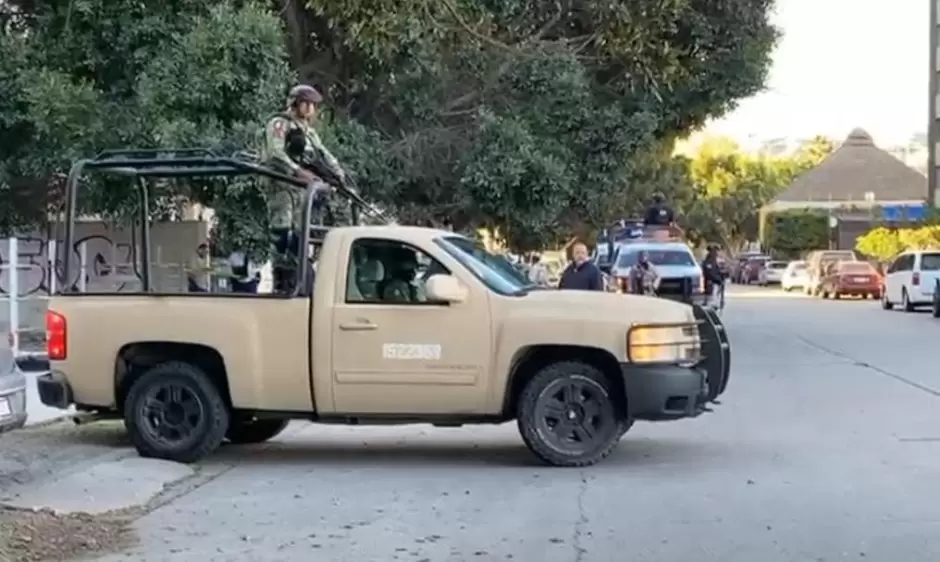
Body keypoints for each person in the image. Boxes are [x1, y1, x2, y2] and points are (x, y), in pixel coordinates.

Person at [261, 84, 348, 290]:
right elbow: (275, 153)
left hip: (300, 187)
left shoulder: (308, 131)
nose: (310, 108)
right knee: (282, 229)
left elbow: (323, 153)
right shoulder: (280, 124)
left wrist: (339, 174)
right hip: (279, 181)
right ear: (294, 103)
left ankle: (298, 272)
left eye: (313, 104)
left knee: (302, 233)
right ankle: (282, 277)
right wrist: (298, 171)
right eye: (306, 103)